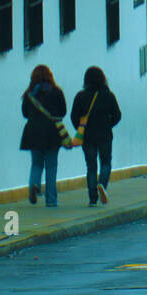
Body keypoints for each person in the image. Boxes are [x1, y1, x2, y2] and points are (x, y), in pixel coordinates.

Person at [71, 66, 122, 205]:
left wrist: (81, 128)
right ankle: (102, 185)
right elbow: (117, 115)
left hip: (87, 137)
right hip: (105, 135)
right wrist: (108, 125)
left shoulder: (80, 96)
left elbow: (74, 116)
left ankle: (92, 198)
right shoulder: (108, 95)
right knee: (105, 162)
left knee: (91, 166)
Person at [20, 64, 67, 208]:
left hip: (33, 132)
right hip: (52, 133)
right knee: (51, 166)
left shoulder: (29, 94)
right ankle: (51, 200)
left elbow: (25, 113)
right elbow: (63, 112)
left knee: (36, 164)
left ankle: (34, 184)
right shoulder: (57, 92)